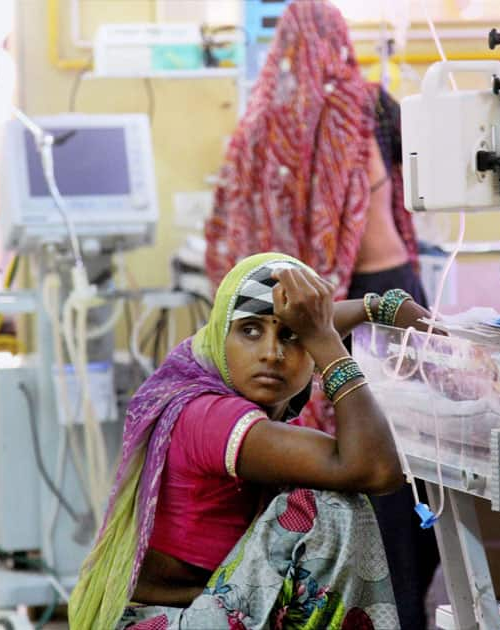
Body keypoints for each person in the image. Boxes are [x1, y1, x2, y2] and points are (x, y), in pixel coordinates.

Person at [204, 2, 438, 627]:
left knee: (343, 461)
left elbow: (240, 222)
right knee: (402, 459)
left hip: (315, 305)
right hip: (388, 294)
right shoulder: (372, 105)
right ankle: (400, 609)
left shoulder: (266, 122)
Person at [69, 252, 434, 630]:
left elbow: (276, 324)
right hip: (162, 622)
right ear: (221, 336)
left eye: (291, 336)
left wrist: (376, 306)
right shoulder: (211, 417)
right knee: (331, 509)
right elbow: (375, 470)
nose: (271, 354)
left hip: (186, 608)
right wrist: (322, 341)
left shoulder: (197, 365)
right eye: (250, 331)